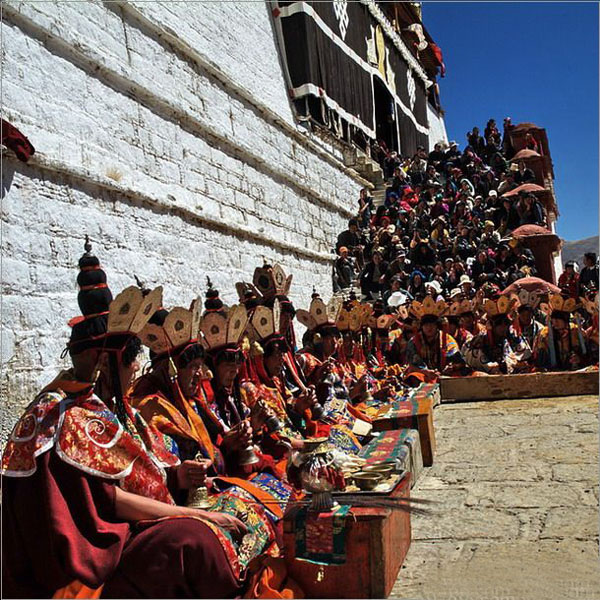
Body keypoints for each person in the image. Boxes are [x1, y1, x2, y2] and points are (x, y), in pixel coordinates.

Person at [2, 240, 246, 599]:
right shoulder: (65, 414)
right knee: (196, 541)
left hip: (133, 526)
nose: (136, 374)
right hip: (97, 552)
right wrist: (196, 517)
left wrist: (178, 475)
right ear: (108, 364)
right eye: (133, 365)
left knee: (235, 506)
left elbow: (148, 471)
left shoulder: (112, 407)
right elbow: (108, 501)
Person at [463, 297, 532, 374]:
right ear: (492, 326)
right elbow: (482, 363)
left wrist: (517, 363)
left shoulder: (512, 335)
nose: (503, 327)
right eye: (499, 324)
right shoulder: (481, 340)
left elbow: (524, 355)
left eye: (505, 324)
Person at [404, 296, 464, 383]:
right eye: (426, 325)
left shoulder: (447, 339)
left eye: (432, 324)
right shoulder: (413, 341)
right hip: (424, 374)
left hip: (445, 374)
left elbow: (457, 359)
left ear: (437, 326)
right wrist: (426, 371)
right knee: (413, 376)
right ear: (422, 327)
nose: (429, 328)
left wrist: (452, 366)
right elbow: (412, 365)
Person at [533, 295, 588, 371]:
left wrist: (580, 358)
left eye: (558, 319)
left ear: (565, 320)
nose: (555, 322)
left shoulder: (575, 331)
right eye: (553, 319)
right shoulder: (545, 334)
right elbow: (539, 358)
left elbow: (586, 353)